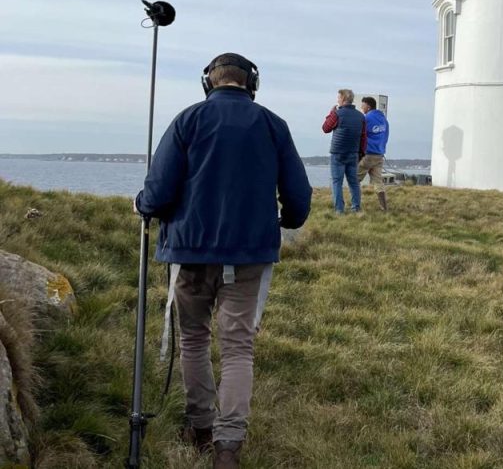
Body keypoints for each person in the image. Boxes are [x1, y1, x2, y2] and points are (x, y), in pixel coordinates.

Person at [134, 53, 312, 468]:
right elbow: (299, 196)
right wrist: (288, 218)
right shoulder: (272, 124)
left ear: (207, 83)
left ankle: (199, 427)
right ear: (252, 84)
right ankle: (228, 445)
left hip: (190, 251)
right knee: (237, 347)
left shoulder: (187, 120)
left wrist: (142, 205)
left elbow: (157, 192)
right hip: (249, 253)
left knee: (194, 339)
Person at [322, 88, 366, 213]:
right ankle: (356, 208)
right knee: (354, 182)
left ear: (343, 99)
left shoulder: (337, 114)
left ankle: (339, 210)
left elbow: (326, 128)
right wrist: (361, 153)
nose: (337, 100)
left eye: (338, 98)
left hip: (338, 153)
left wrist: (331, 113)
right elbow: (363, 136)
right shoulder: (360, 116)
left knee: (337, 182)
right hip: (353, 153)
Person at [357, 96, 390, 212]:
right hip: (379, 154)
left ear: (368, 106)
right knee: (378, 182)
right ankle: (384, 208)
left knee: (355, 179)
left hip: (368, 154)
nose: (361, 107)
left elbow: (361, 136)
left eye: (363, 105)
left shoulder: (366, 119)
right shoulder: (384, 120)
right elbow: (386, 136)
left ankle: (355, 206)